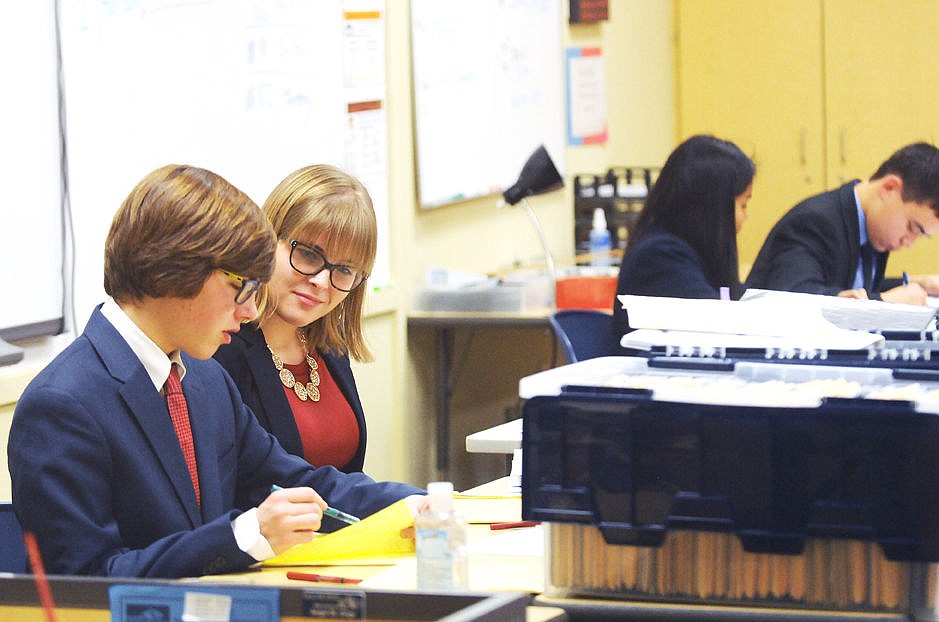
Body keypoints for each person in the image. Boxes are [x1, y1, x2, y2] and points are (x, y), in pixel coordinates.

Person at [8, 164, 423, 579]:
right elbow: (81, 582)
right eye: (241, 288)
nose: (249, 310)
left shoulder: (205, 380)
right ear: (177, 272)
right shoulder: (61, 406)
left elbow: (300, 482)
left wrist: (423, 504)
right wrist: (244, 535)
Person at [214, 164, 376, 475]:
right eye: (309, 255)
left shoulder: (329, 344)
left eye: (343, 270)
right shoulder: (220, 348)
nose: (322, 282)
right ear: (267, 238)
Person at [609, 134, 755, 351]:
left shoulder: (696, 251)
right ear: (712, 207)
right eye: (742, 205)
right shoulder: (659, 257)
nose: (745, 216)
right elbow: (719, 326)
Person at [746, 142, 939, 304]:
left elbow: (850, 288)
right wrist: (887, 302)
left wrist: (916, 284)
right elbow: (793, 296)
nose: (909, 242)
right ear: (889, 188)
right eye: (912, 228)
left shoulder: (873, 227)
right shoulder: (815, 222)